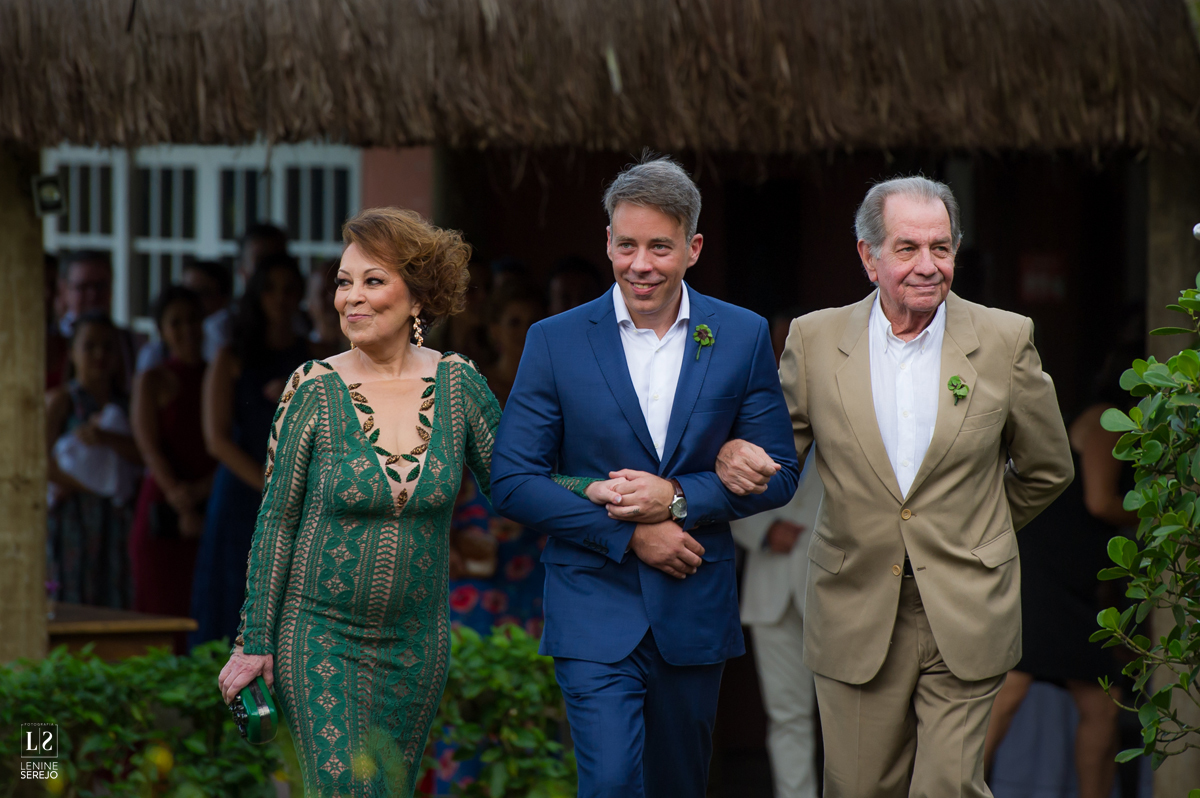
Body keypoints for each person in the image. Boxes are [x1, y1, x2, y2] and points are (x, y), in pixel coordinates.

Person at [215, 207, 598, 797]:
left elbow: (515, 484)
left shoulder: (460, 383)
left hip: (416, 646)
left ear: (417, 298)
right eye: (345, 282)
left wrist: (595, 490)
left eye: (373, 281)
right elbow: (277, 522)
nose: (351, 298)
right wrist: (253, 644)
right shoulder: (312, 389)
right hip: (319, 636)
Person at [491, 156, 801, 798]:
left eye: (660, 247)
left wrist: (680, 497)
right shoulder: (556, 340)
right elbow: (512, 479)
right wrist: (629, 534)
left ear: (693, 248)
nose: (641, 264)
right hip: (592, 603)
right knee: (607, 783)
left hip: (692, 602)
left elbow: (781, 473)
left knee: (677, 784)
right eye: (626, 245)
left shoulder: (740, 335)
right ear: (607, 242)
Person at [775, 176, 1074, 798]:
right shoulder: (814, 339)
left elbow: (1048, 467)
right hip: (855, 600)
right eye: (907, 248)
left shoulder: (1004, 339)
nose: (927, 265)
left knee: (947, 787)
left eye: (941, 247)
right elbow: (779, 463)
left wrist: (974, 529)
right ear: (868, 256)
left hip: (965, 603)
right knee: (857, 788)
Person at [983, 334, 1141, 798]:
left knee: (1103, 705)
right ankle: (950, 788)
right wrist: (1156, 514)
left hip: (1070, 582)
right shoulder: (1109, 421)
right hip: (1044, 571)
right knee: (1013, 686)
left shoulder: (1117, 423)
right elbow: (1100, 501)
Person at [189, 254, 311, 647]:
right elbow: (217, 438)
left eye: (289, 289)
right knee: (232, 598)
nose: (280, 299)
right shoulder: (232, 356)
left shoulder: (315, 355)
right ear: (257, 295)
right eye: (271, 289)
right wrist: (272, 487)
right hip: (244, 492)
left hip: (298, 494)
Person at [129, 287, 218, 650]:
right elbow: (148, 448)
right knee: (160, 617)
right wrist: (182, 500)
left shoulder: (218, 374)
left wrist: (201, 495)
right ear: (162, 331)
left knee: (206, 614)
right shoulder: (153, 379)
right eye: (175, 322)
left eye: (193, 320)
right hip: (163, 509)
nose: (186, 330)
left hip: (212, 502)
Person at [731, 452, 823, 798]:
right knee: (787, 717)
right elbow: (724, 490)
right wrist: (764, 531)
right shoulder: (759, 410)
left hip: (840, 590)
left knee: (855, 720)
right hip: (771, 588)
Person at [46, 313, 143, 608]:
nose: (100, 355)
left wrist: (106, 438)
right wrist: (96, 488)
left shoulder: (128, 403)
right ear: (73, 352)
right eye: (90, 347)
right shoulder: (61, 400)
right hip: (74, 519)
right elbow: (39, 462)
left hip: (118, 521)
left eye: (108, 346)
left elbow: (144, 453)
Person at [204, 224, 289, 361]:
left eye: (277, 261)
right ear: (241, 270)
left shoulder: (306, 323)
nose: (270, 271)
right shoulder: (220, 329)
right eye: (261, 261)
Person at [58, 251, 139, 390]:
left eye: (100, 286)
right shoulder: (50, 341)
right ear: (64, 289)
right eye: (83, 287)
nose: (93, 295)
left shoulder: (130, 342)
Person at [136, 261, 233, 372]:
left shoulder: (226, 343)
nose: (188, 329)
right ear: (161, 329)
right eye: (176, 323)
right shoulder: (154, 360)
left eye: (193, 319)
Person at [306, 257, 350, 359]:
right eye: (323, 293)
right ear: (310, 303)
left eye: (336, 290)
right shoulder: (301, 353)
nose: (332, 300)